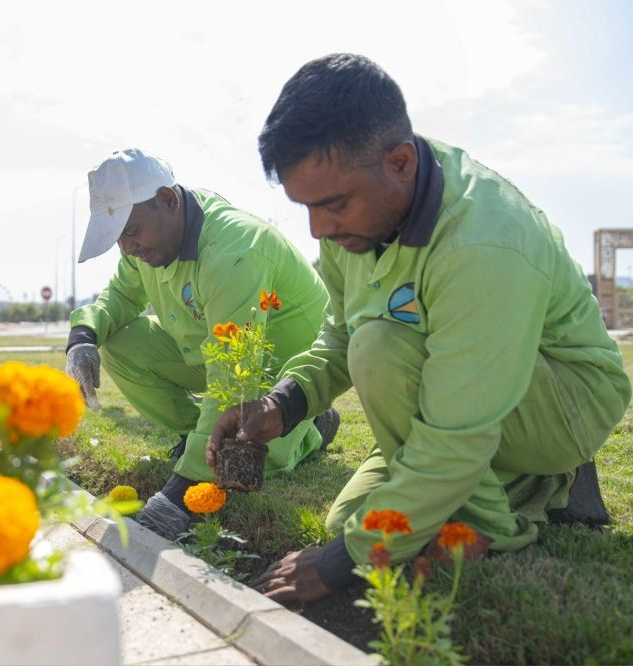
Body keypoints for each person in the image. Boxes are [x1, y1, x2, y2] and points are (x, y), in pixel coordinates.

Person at [209, 53, 632, 602]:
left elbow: (453, 431)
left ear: (402, 163)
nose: (318, 227)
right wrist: (280, 405)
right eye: (306, 207)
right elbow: (338, 334)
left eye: (333, 204)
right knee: (350, 517)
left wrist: (343, 562)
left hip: (565, 400)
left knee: (380, 352)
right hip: (458, 393)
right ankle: (531, 484)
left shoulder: (484, 242)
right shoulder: (350, 225)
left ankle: (492, 522)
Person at [66, 148, 339, 539]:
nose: (126, 248)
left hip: (281, 369)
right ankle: (201, 438)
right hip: (204, 351)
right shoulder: (146, 247)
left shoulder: (234, 250)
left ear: (168, 201)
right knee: (119, 343)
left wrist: (181, 493)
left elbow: (232, 377)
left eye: (131, 231)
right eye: (118, 238)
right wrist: (83, 338)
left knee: (259, 451)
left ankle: (309, 427)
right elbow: (121, 298)